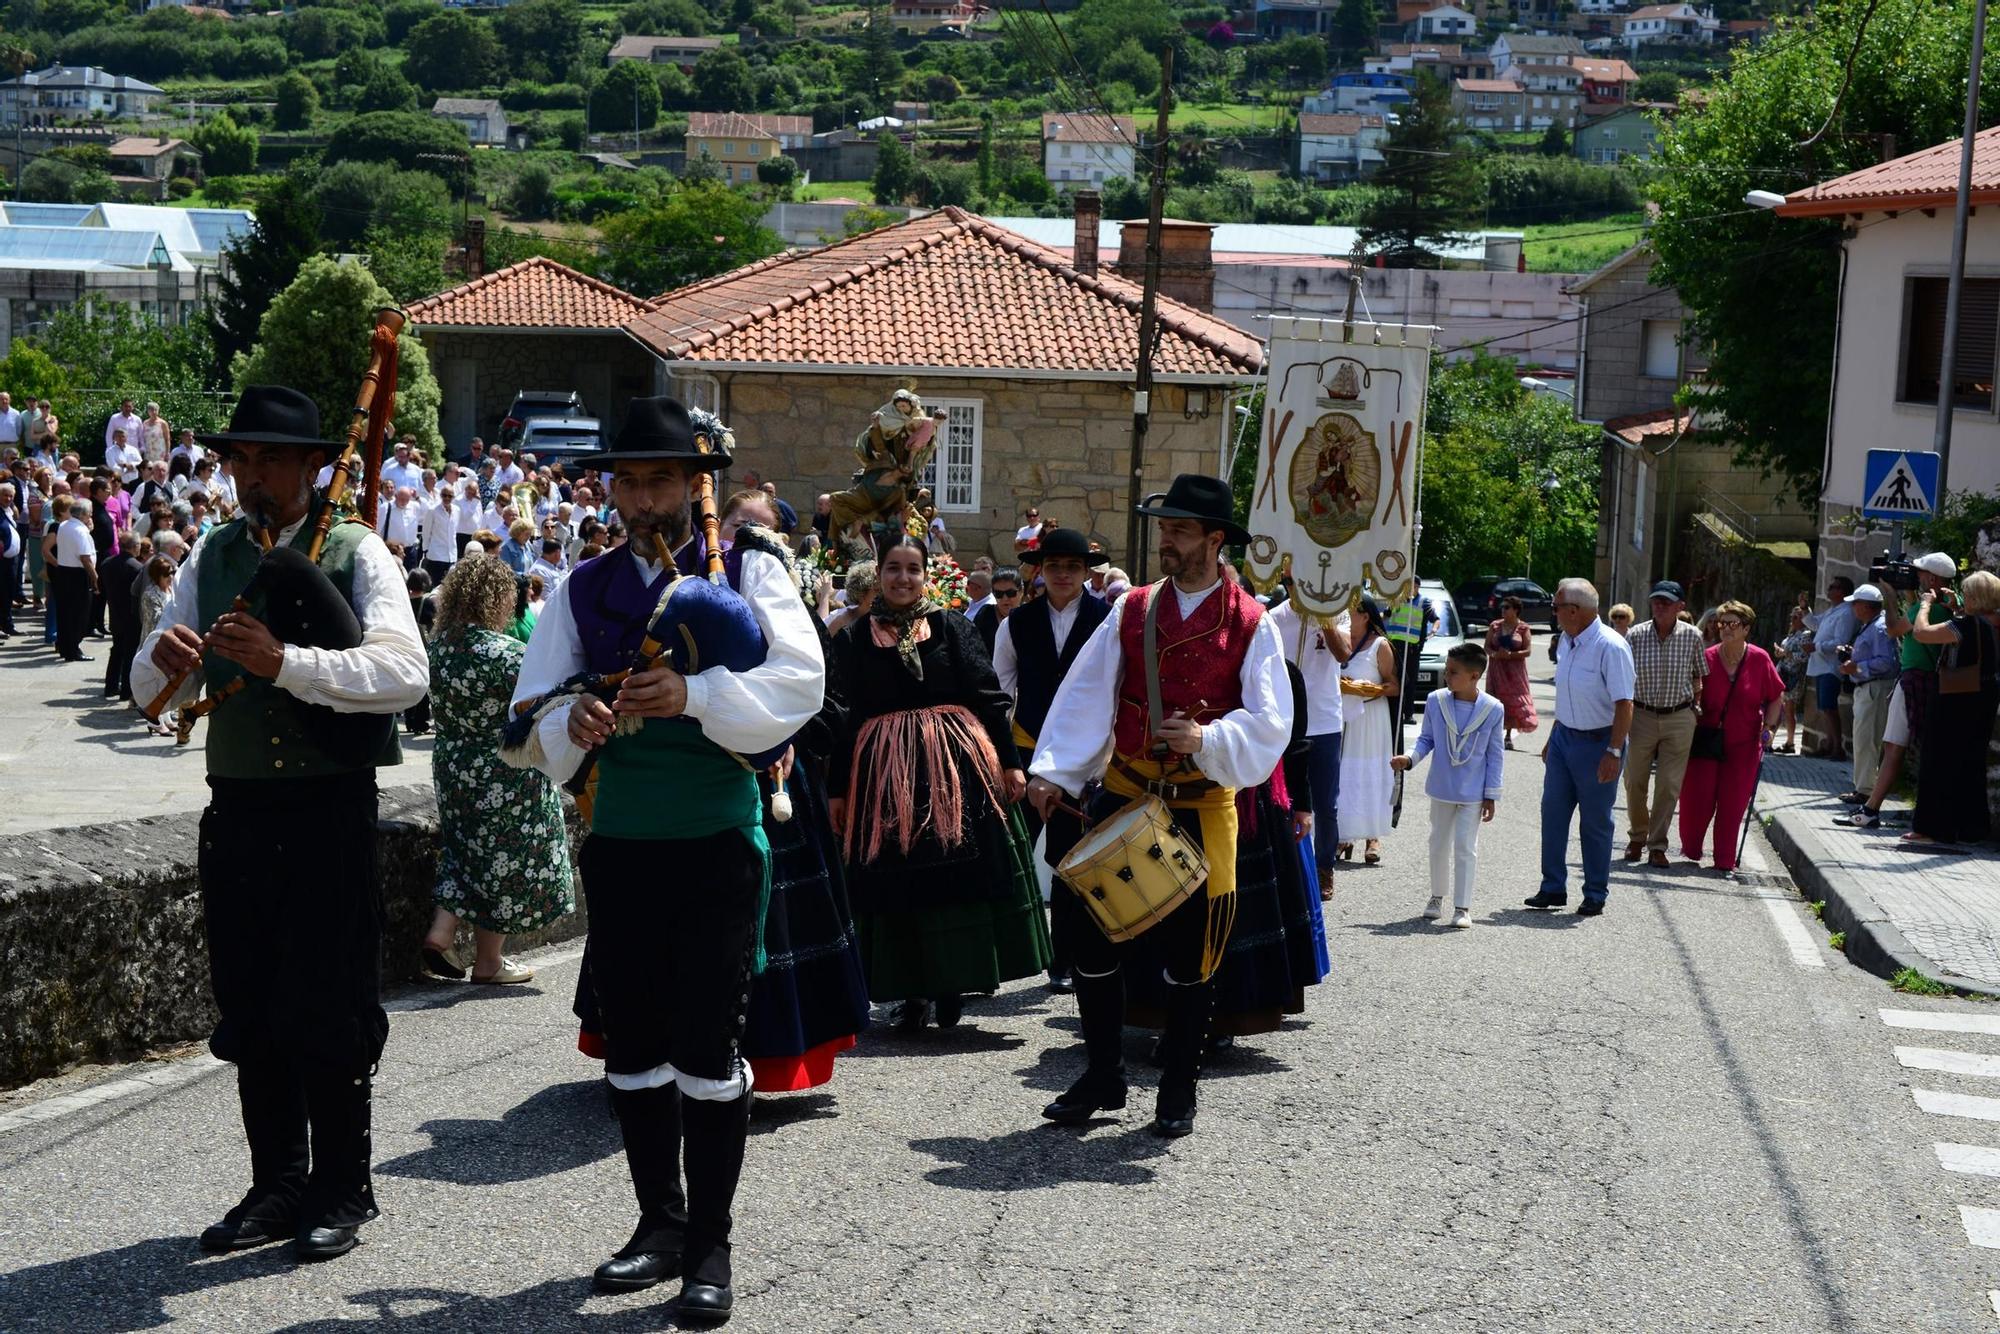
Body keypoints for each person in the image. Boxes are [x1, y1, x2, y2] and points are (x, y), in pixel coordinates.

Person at [505, 396, 823, 1321]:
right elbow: (526, 717)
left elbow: (802, 683)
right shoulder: (585, 586)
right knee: (635, 1046)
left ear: (693, 483)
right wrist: (571, 719)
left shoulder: (751, 568)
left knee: (706, 1048)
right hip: (620, 843)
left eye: (659, 481)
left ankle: (710, 1246)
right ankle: (660, 1224)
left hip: (718, 840)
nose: (641, 499)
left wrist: (694, 695)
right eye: (628, 482)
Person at [130, 384, 428, 1261]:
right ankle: (278, 1184)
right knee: (252, 999)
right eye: (240, 460)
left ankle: (343, 1187)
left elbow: (405, 675)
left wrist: (286, 663)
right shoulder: (212, 553)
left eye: (270, 459)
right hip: (240, 807)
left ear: (310, 468)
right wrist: (160, 660)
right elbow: (151, 694)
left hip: (327, 807)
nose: (251, 476)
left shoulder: (357, 551)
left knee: (329, 1001)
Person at [1028, 474, 1292, 1139]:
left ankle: (1178, 1085)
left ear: (1214, 538)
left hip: (1201, 805)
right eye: (1164, 528)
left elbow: (1271, 725)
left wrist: (1209, 739)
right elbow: (1089, 691)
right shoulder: (1133, 608)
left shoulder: (1252, 623)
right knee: (1088, 935)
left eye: (1180, 530)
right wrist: (1055, 771)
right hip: (1125, 793)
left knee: (1192, 955)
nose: (1166, 540)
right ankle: (1103, 1074)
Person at [828, 532, 1049, 1032]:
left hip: (956, 772)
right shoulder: (853, 640)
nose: (903, 578)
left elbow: (989, 696)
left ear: (926, 576)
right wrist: (837, 789)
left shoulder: (952, 626)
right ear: (878, 575)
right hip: (885, 781)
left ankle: (954, 985)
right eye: (893, 568)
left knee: (959, 877)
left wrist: (1010, 763)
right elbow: (844, 717)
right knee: (897, 884)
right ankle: (910, 993)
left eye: (912, 569)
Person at [420, 557, 575, 986]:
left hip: (452, 763)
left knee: (465, 848)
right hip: (504, 768)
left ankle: (442, 931)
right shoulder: (507, 653)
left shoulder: (437, 649)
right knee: (503, 859)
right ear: (497, 598)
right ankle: (489, 961)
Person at [994, 526, 1113, 989]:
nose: (1063, 574)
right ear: (1040, 570)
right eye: (1055, 566)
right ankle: (1004, 956)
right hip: (1026, 753)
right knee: (1013, 855)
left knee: (1069, 861)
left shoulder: (1108, 621)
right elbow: (999, 694)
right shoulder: (1015, 624)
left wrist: (1100, 762)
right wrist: (1005, 760)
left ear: (1086, 572)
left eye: (1073, 566)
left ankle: (1064, 959)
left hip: (1081, 760)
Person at [1525, 578, 1634, 918]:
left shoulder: (1611, 646)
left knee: (1595, 822)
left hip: (1599, 742)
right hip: (1564, 738)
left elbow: (1624, 704)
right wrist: (1552, 737)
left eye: (1556, 607)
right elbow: (1567, 694)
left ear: (1573, 610)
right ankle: (1552, 887)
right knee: (1553, 813)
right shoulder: (1566, 641)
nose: (1553, 613)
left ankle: (1595, 893)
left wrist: (1614, 752)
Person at [1836, 553, 1958, 830]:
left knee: (1893, 746)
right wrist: (1911, 596)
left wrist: (1890, 596)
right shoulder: (1948, 604)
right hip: (1929, 679)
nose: (1915, 576)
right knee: (1905, 746)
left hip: (1912, 679)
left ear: (1932, 578)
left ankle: (1871, 809)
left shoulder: (1925, 609)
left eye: (1919, 573)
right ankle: (1876, 806)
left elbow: (1893, 629)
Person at [1392, 642, 1504, 928]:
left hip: (1473, 791)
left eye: (1453, 672)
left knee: (1466, 846)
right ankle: (1436, 896)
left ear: (1474, 676)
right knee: (1438, 843)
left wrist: (1491, 794)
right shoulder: (1436, 700)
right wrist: (1409, 758)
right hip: (1442, 787)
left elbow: (1495, 754)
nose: (1446, 676)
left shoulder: (1493, 709)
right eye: (1446, 670)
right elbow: (1426, 739)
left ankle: (1462, 907)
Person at [1676, 601, 1785, 872]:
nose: (1725, 628)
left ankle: (1724, 859)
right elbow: (1690, 693)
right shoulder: (1707, 657)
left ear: (1746, 628)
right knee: (1696, 800)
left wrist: (1770, 728)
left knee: (1732, 804)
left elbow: (1775, 696)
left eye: (1733, 624)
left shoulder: (1760, 659)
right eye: (1722, 623)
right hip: (1705, 741)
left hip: (1744, 744)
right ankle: (1691, 849)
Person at [1901, 571, 2000, 849]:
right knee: (1969, 762)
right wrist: (1956, 609)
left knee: (1938, 760)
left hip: (1955, 698)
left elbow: (1921, 633)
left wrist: (1924, 605)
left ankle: (1932, 827)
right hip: (1984, 697)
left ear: (1974, 597)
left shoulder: (1963, 625)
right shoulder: (1990, 623)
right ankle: (1970, 827)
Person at [1267, 591, 1348, 900]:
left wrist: (1325, 620)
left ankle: (1324, 866)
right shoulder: (1275, 617)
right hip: (1286, 722)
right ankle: (1287, 866)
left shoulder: (1338, 613)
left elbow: (1343, 654)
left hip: (1325, 722)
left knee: (1325, 804)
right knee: (1283, 800)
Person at [1622, 580, 1707, 869]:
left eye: (1666, 602)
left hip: (1679, 716)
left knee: (1669, 785)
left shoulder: (1693, 636)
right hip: (1641, 714)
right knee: (1634, 780)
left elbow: (1699, 675)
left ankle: (1657, 845)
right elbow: (1623, 675)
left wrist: (1695, 708)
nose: (1659, 606)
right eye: (1656, 601)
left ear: (1680, 606)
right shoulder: (1635, 635)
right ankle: (1637, 837)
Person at [1336, 595, 1396, 865]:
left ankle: (1373, 836)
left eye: (1350, 611)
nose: (1345, 615)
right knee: (1345, 772)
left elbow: (1394, 685)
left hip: (1370, 715)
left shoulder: (1379, 645)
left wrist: (1369, 689)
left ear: (1365, 616)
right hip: (1342, 715)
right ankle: (1344, 835)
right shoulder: (1338, 640)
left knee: (1370, 771)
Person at [1833, 584, 1895, 806]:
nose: (1853, 608)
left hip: (1873, 688)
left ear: (1866, 606)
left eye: (1855, 603)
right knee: (1863, 739)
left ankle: (1865, 791)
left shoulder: (1878, 628)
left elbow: (1887, 662)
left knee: (1866, 740)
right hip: (1868, 688)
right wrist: (1854, 656)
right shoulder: (1872, 625)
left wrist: (1857, 666)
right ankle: (1863, 788)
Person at [1804, 575, 1857, 759]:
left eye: (1833, 587)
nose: (1829, 590)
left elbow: (1840, 642)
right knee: (1825, 708)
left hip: (1831, 666)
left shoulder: (1846, 613)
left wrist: (1816, 646)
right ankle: (1829, 744)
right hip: (1821, 665)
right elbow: (1815, 624)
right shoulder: (1833, 610)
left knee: (1829, 707)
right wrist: (1804, 609)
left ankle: (1837, 748)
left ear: (1842, 591)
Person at [1483, 596, 1537, 749]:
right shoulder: (1495, 625)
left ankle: (1508, 735)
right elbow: (1487, 646)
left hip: (1515, 672)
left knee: (1514, 701)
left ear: (1516, 610)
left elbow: (1528, 651)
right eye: (1502, 607)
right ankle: (1492, 734)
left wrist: (1511, 655)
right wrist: (1494, 654)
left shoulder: (1524, 628)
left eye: (1507, 607)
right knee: (1495, 700)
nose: (1503, 610)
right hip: (1497, 669)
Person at [50, 495, 96, 662]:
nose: (91, 516)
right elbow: (85, 558)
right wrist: (95, 578)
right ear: (82, 515)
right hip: (78, 574)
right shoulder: (79, 530)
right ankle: (73, 649)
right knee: (79, 614)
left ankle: (65, 647)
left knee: (65, 613)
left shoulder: (64, 525)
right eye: (89, 513)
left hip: (64, 572)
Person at [101, 529, 144, 699]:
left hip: (114, 613)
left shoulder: (107, 563)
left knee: (117, 650)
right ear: (135, 546)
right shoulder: (137, 568)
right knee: (130, 652)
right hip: (132, 616)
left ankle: (110, 686)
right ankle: (127, 690)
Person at [1384, 586, 1435, 727]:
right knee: (1396, 679)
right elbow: (1386, 615)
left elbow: (1435, 619)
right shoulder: (1396, 600)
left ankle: (1408, 714)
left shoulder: (1424, 602)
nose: (1412, 588)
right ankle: (1396, 712)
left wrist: (1434, 630)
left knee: (1410, 682)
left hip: (1412, 649)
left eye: (1414, 586)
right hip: (1395, 647)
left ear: (1418, 587)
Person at [1771, 605, 1811, 755]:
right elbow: (1784, 654)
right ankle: (1773, 740)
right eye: (1791, 617)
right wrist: (1779, 653)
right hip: (1783, 673)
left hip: (1793, 676)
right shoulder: (1792, 634)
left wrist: (1785, 653)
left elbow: (1804, 657)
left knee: (1788, 709)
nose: (1792, 620)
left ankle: (1790, 742)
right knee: (1779, 708)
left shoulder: (1805, 635)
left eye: (1796, 617)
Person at [972, 565, 1021, 656]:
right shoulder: (986, 614)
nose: (1005, 598)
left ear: (1021, 592)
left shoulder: (1029, 616)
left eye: (1010, 593)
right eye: (999, 594)